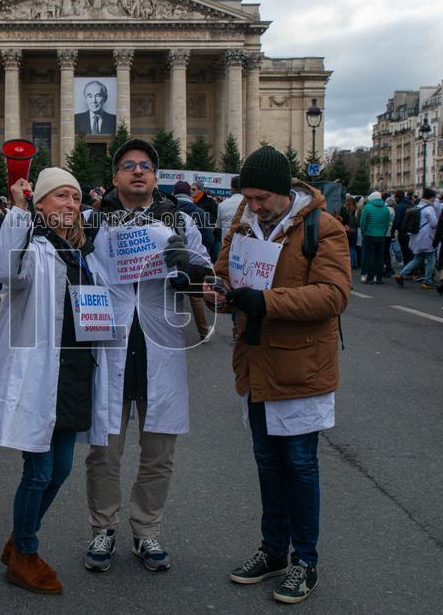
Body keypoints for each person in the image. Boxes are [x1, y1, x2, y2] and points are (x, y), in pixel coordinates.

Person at [205, 145, 350, 604]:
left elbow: (332, 295)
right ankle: (273, 552)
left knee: (301, 466)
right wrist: (213, 290)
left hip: (302, 364)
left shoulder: (322, 228)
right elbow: (225, 273)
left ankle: (305, 560)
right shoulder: (242, 222)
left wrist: (265, 302)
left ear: (286, 192)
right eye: (248, 196)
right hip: (257, 363)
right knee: (268, 465)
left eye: (262, 197)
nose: (255, 205)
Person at [82, 139, 210, 573]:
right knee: (104, 451)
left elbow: (205, 275)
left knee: (159, 453)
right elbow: (66, 268)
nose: (138, 172)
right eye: (128, 165)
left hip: (160, 347)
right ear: (115, 177)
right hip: (109, 346)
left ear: (155, 176)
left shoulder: (179, 220)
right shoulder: (91, 221)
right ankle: (103, 527)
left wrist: (188, 269)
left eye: (145, 166)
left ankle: (147, 531)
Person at [0, 170, 110, 595]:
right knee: (38, 471)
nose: (71, 204)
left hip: (74, 374)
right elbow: (5, 271)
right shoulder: (31, 246)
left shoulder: (80, 252)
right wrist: (17, 212)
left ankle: (18, 539)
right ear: (40, 203)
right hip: (42, 374)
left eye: (76, 197)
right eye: (61, 195)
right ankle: (24, 552)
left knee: (59, 469)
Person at [172, 180, 214, 340]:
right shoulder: (198, 211)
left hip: (171, 263)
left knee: (173, 294)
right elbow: (208, 237)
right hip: (194, 259)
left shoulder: (167, 211)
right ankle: (203, 330)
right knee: (195, 296)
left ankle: (175, 327)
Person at [394, 188, 439, 289]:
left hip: (416, 236)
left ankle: (401, 274)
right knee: (431, 258)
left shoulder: (418, 206)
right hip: (426, 238)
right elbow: (434, 223)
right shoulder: (429, 208)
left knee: (417, 258)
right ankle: (427, 281)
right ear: (431, 197)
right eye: (434, 197)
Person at [358, 191, 392, 284]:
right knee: (379, 257)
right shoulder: (385, 209)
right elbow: (387, 223)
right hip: (381, 235)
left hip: (369, 235)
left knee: (369, 256)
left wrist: (363, 233)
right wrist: (383, 233)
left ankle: (370, 277)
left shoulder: (367, 207)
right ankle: (379, 277)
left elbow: (363, 222)